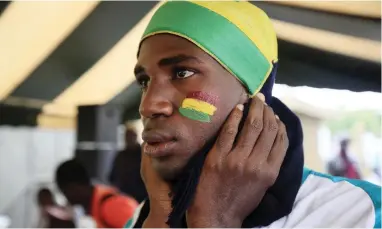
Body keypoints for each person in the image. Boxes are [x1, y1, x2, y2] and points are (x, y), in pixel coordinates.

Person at [126, 1, 381, 228]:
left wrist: (214, 222)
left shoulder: (360, 212)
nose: (147, 106)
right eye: (144, 82)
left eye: (182, 73)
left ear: (254, 94)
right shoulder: (143, 216)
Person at [55, 159, 139, 228]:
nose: (66, 197)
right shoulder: (93, 206)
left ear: (74, 187)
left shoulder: (110, 205)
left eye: (65, 191)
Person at [109, 125, 147, 203]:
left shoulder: (144, 154)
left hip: (140, 197)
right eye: (126, 136)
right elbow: (112, 175)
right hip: (123, 197)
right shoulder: (120, 155)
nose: (128, 139)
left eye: (131, 136)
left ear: (136, 136)